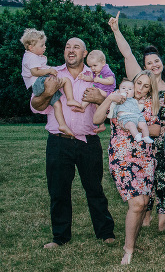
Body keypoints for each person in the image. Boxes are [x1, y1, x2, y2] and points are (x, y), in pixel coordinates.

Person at [31, 37, 115, 249]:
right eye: (67, 46)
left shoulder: (97, 75)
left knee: (95, 189)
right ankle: (60, 237)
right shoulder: (52, 73)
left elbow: (113, 108)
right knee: (58, 191)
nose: (71, 50)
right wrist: (48, 93)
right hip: (59, 142)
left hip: (89, 141)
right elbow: (35, 106)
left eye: (76, 47)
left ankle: (105, 233)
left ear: (85, 53)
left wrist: (99, 99)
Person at [108, 12, 165, 233]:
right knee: (146, 183)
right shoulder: (141, 80)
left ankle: (164, 221)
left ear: (162, 61)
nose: (153, 65)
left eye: (156, 61)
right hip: (141, 140)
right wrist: (117, 30)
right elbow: (127, 54)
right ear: (143, 67)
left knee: (163, 181)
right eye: (148, 63)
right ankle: (144, 216)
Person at [93, 70, 161, 264]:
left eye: (145, 85)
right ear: (133, 82)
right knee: (137, 203)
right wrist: (109, 99)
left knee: (145, 202)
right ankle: (128, 250)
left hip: (145, 158)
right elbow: (97, 119)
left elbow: (157, 129)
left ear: (150, 89)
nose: (140, 88)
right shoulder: (119, 98)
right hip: (123, 157)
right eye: (138, 83)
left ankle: (132, 242)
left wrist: (137, 123)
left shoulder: (152, 103)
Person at [21, 28, 82, 137]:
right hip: (39, 82)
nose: (45, 47)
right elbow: (35, 72)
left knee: (57, 104)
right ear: (31, 47)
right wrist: (49, 70)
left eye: (44, 45)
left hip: (37, 84)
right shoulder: (31, 57)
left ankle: (62, 125)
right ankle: (70, 99)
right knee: (66, 80)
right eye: (42, 45)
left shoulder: (31, 56)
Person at [108, 80, 155, 144]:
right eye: (123, 88)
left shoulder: (134, 100)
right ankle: (136, 136)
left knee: (143, 124)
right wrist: (111, 115)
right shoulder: (118, 100)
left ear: (133, 92)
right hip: (126, 117)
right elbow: (112, 108)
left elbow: (138, 109)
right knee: (131, 125)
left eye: (130, 89)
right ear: (119, 91)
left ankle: (146, 136)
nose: (126, 90)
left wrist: (140, 104)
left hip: (137, 116)